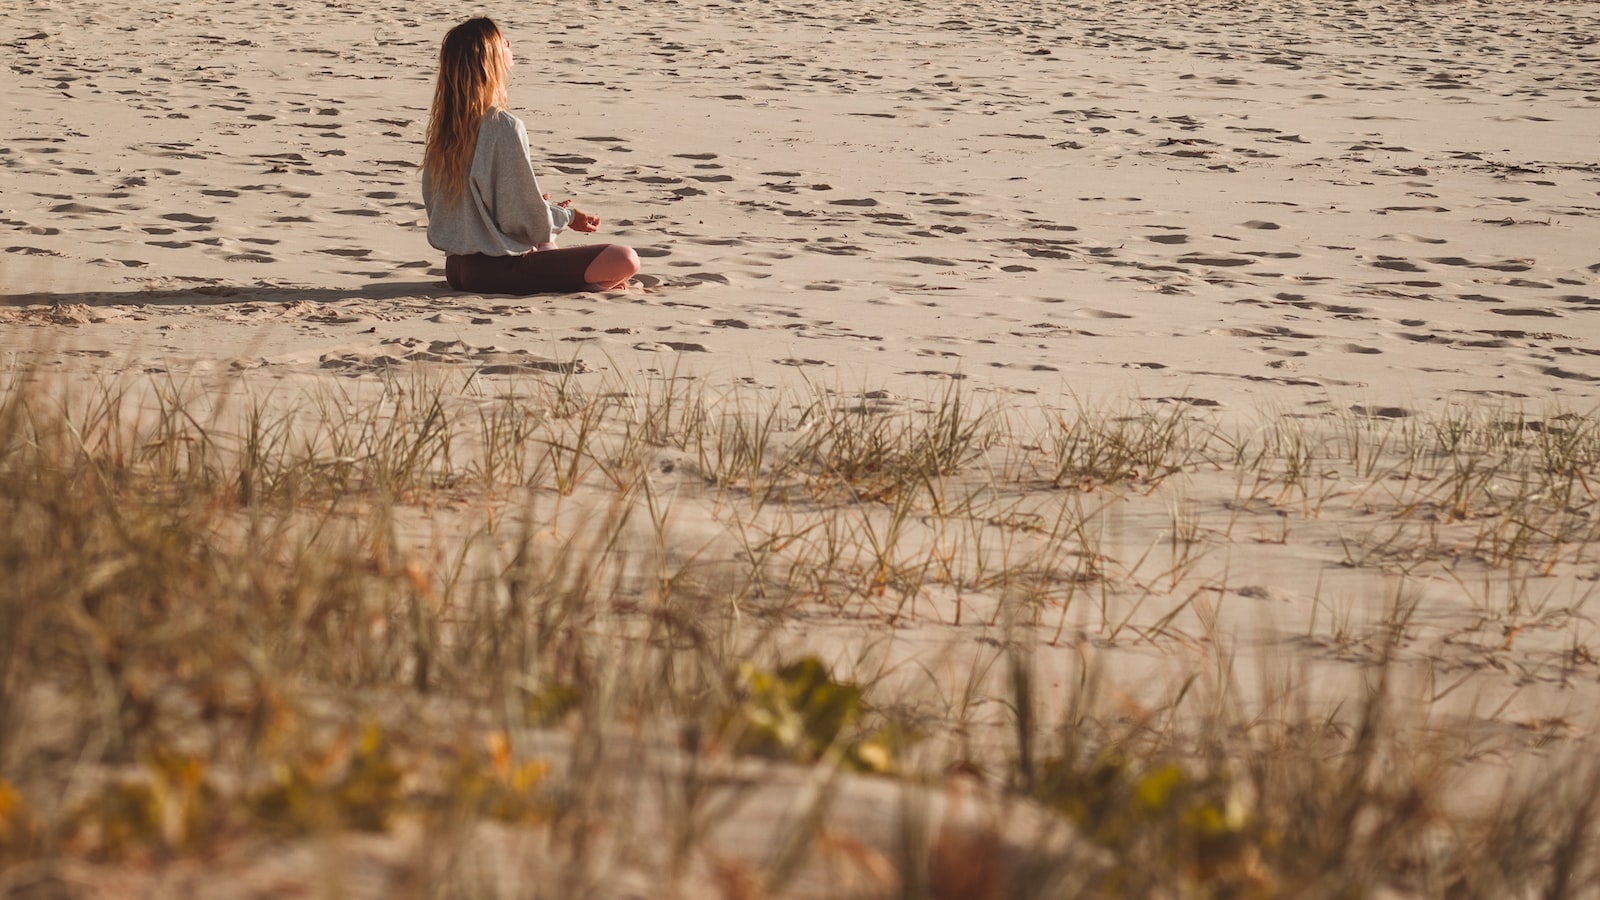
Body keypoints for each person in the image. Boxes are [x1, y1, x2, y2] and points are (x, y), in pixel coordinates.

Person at [422, 17, 640, 294]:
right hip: (499, 270)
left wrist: (542, 207)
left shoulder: (444, 131)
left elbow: (449, 211)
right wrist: (567, 216)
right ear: (489, 60)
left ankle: (586, 283)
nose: (509, 45)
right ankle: (589, 285)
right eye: (503, 42)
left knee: (546, 244)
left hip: (457, 269)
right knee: (624, 258)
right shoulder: (503, 126)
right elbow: (523, 220)